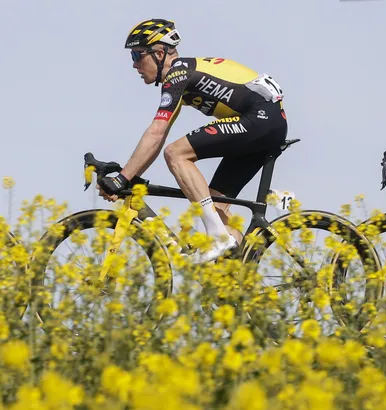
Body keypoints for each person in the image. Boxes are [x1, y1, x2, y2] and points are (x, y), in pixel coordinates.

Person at [97, 18, 288, 264]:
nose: (134, 64)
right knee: (216, 208)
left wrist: (122, 178)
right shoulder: (183, 76)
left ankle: (219, 238)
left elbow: (156, 133)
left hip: (260, 118)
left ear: (158, 52)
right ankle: (238, 280)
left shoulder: (178, 73)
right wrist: (129, 173)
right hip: (264, 123)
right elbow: (159, 133)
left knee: (176, 154)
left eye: (137, 55)